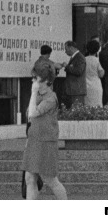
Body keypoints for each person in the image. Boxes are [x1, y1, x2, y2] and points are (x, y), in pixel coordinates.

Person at [22, 63, 68, 200]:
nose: (32, 81)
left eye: (35, 78)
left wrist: (33, 92)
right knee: (30, 178)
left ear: (46, 81)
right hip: (34, 140)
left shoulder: (51, 98)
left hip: (46, 142)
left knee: (51, 180)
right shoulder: (37, 96)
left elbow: (32, 113)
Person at [61, 40, 85, 109]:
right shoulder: (75, 57)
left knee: (76, 113)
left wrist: (67, 66)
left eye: (66, 49)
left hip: (77, 91)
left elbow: (79, 71)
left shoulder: (80, 57)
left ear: (71, 48)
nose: (65, 52)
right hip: (73, 91)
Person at [83, 39, 104, 107]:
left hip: (85, 86)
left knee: (87, 105)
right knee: (97, 106)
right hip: (96, 86)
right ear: (97, 49)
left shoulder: (83, 59)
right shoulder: (97, 60)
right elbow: (101, 75)